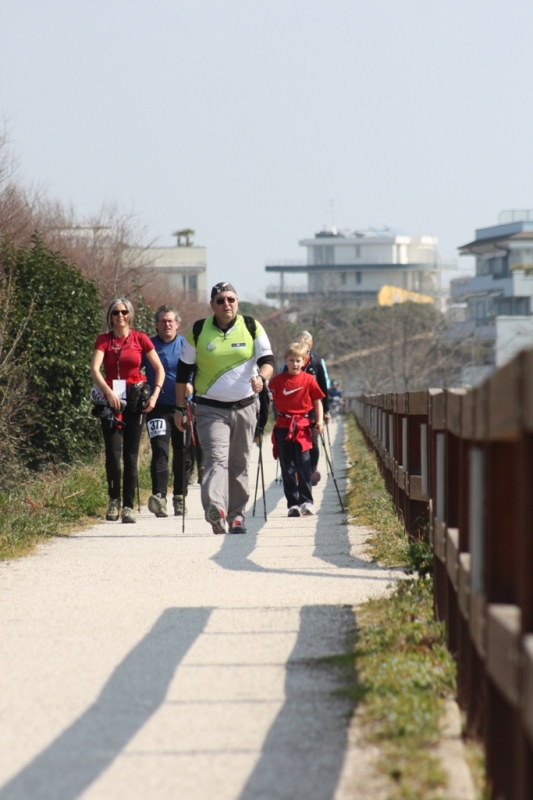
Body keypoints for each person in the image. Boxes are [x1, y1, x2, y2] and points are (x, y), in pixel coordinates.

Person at [174, 281, 275, 535]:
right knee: (215, 460)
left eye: (230, 299)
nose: (226, 304)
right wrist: (178, 409)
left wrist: (261, 379)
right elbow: (183, 372)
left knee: (239, 461)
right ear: (212, 305)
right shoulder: (198, 330)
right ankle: (216, 510)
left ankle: (237, 515)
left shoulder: (251, 326)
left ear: (237, 302)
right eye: (220, 300)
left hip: (245, 406)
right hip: (209, 409)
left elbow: (268, 361)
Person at [90, 298, 165, 524]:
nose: (120, 316)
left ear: (130, 315)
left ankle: (128, 506)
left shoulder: (140, 338)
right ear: (110, 317)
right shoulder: (104, 339)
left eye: (124, 312)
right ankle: (114, 500)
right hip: (112, 398)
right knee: (113, 454)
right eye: (115, 313)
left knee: (131, 455)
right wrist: (109, 393)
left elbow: (159, 368)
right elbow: (95, 369)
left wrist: (155, 395)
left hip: (135, 398)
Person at [143, 305, 192, 518]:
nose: (167, 324)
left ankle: (180, 497)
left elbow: (198, 370)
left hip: (182, 406)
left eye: (170, 321)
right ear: (156, 324)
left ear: (177, 324)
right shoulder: (149, 345)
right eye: (163, 321)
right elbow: (136, 370)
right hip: (157, 408)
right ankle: (159, 496)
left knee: (183, 454)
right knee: (160, 450)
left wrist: (192, 386)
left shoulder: (186, 345)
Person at [269, 341, 325, 516]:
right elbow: (267, 399)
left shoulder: (309, 380)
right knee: (288, 467)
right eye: (291, 360)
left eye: (298, 360)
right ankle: (292, 504)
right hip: (283, 426)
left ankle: (306, 501)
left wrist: (320, 421)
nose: (295, 364)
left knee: (304, 464)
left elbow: (317, 401)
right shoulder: (277, 380)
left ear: (304, 361)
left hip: (303, 427)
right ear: (285, 360)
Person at [283, 330, 330, 485]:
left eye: (306, 349)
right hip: (294, 410)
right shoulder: (290, 361)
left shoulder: (317, 362)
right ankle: (298, 471)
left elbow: (323, 388)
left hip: (313, 409)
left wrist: (326, 411)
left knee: (314, 441)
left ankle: (311, 470)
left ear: (311, 347)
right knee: (295, 441)